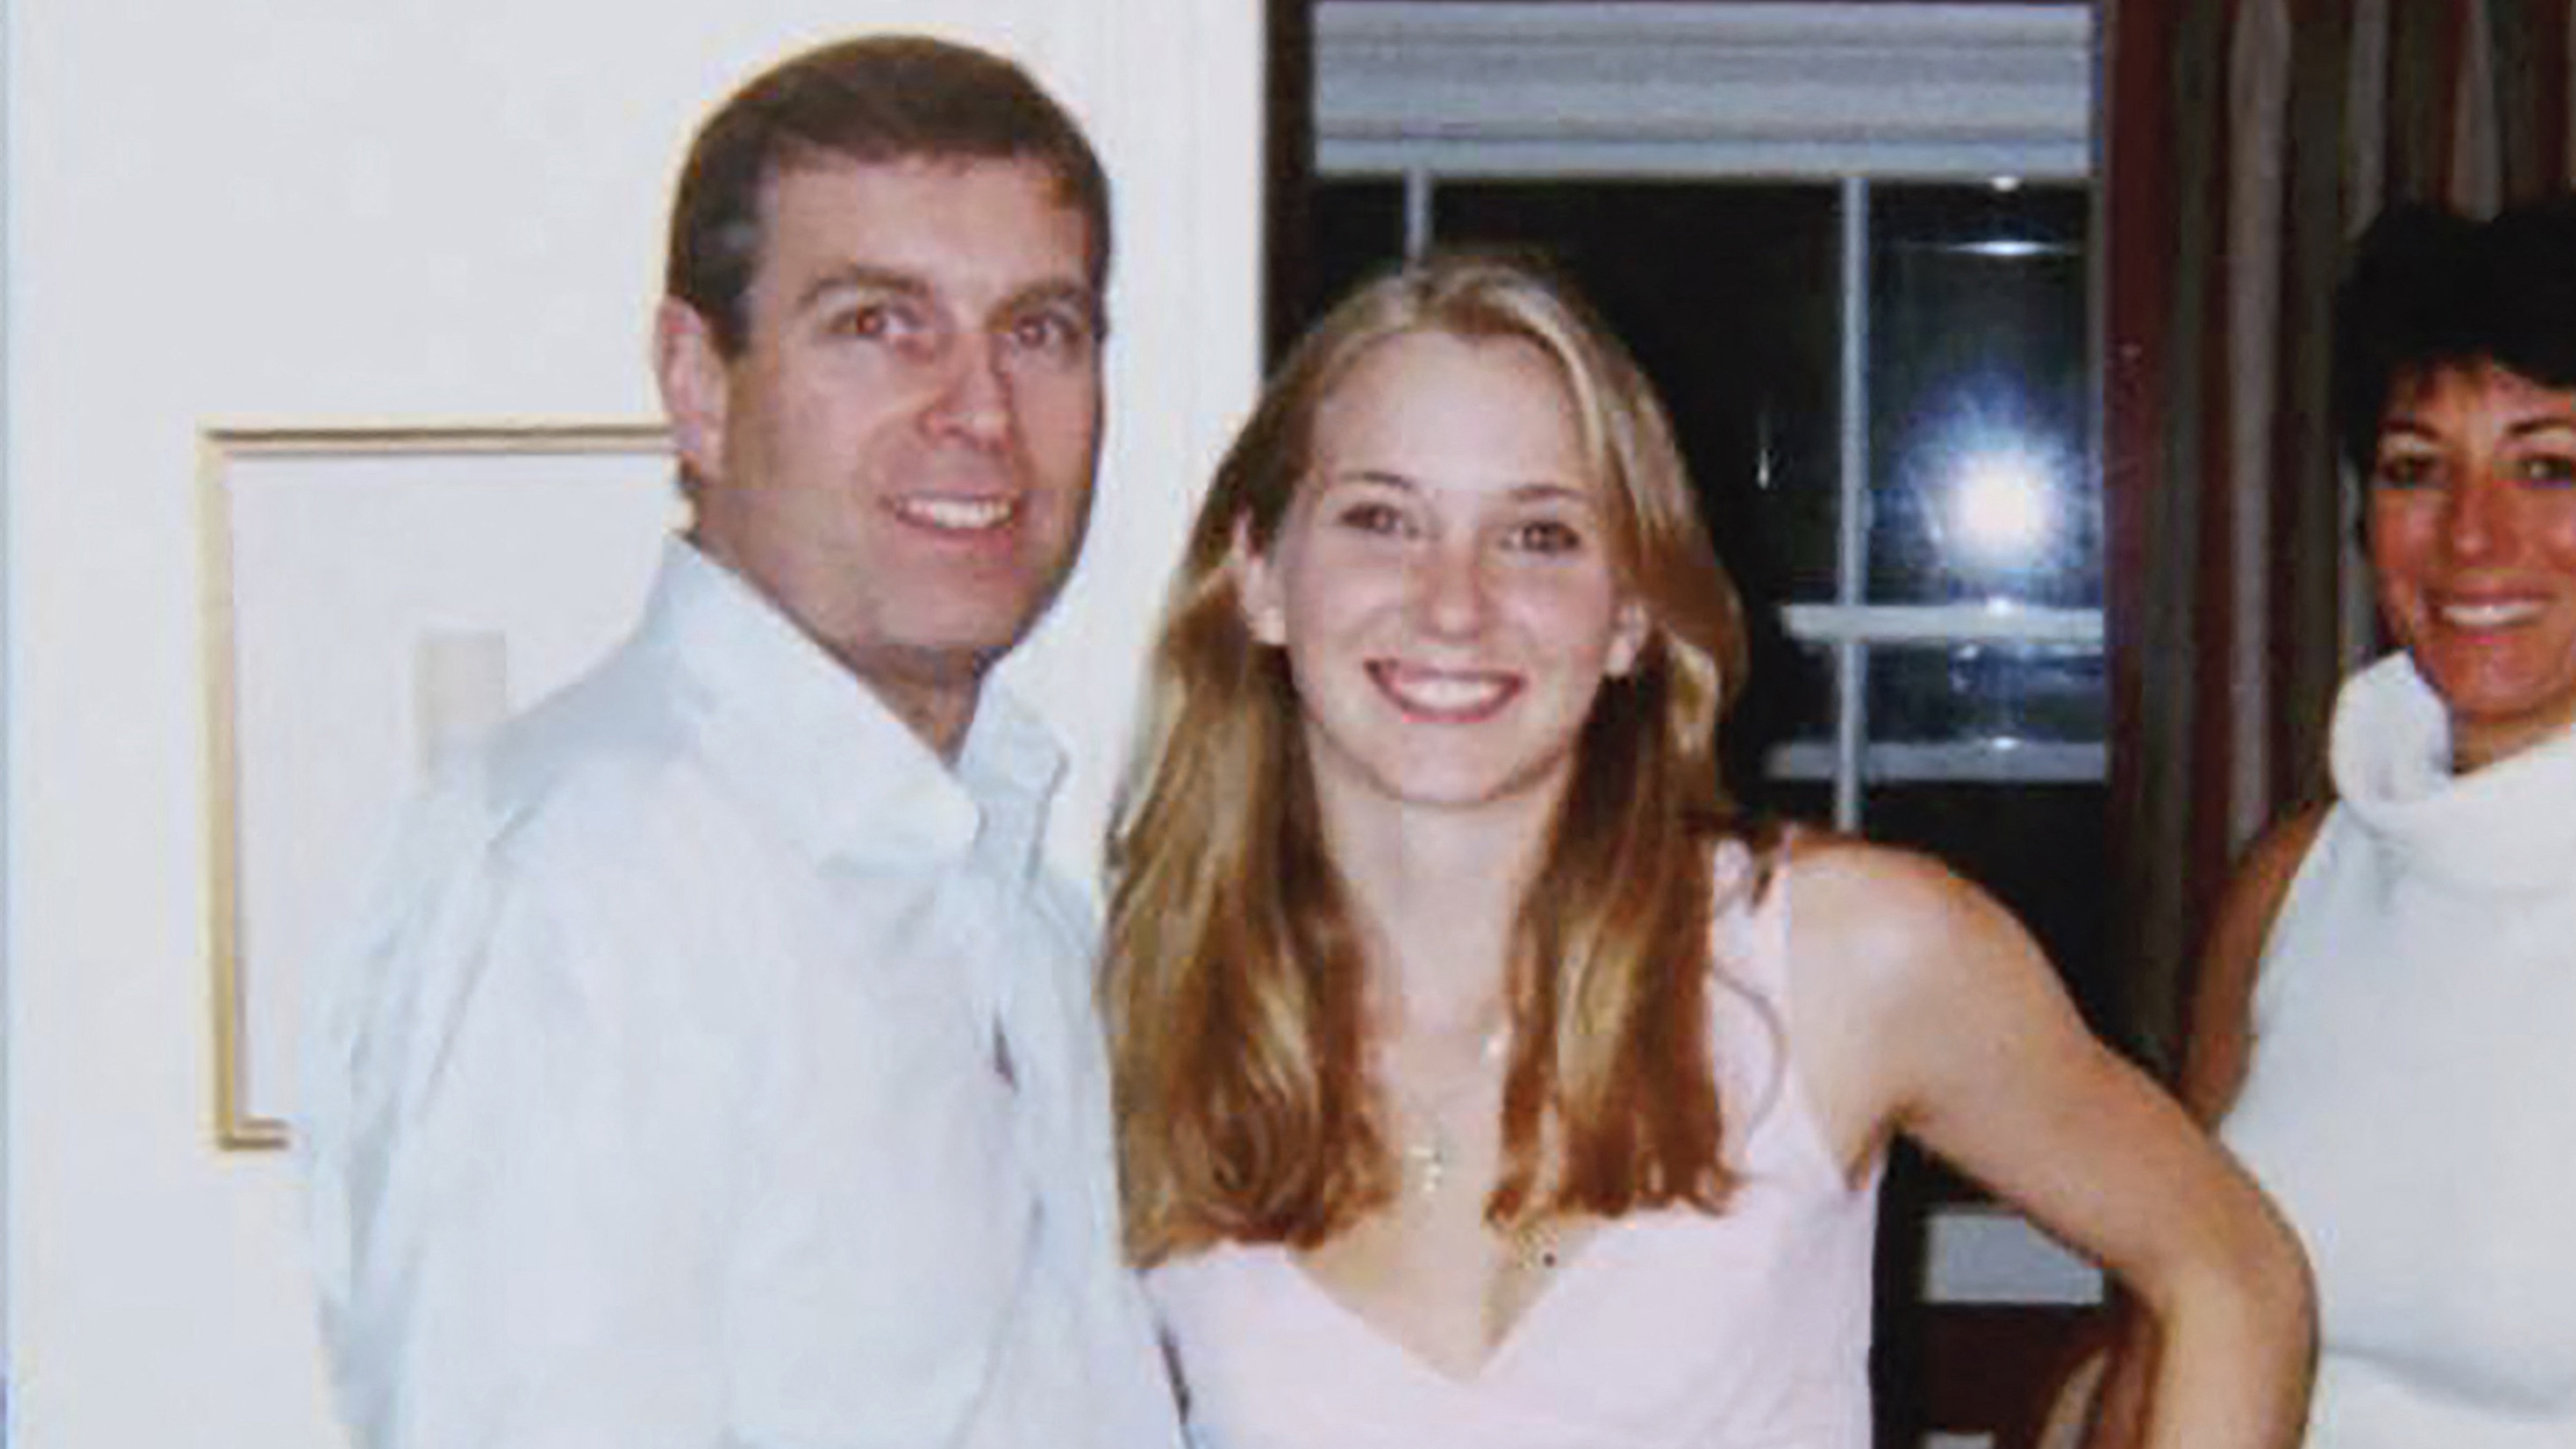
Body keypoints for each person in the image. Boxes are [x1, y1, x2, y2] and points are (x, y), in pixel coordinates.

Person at [1101, 252, 2314, 1449]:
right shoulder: (1130, 1022)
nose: (1454, 602)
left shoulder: (1840, 956)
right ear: (1258, 576)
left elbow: (2232, 1272)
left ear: (1630, 612)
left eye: (1538, 536)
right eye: (1383, 519)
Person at [299, 35, 1182, 1449]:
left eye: (1039, 330)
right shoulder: (592, 885)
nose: (979, 413)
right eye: (880, 324)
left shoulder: (1007, 898)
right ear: (699, 384)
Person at [2148, 193, 2576, 1446]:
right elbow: (2168, 1316)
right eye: (2414, 468)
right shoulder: (2296, 879)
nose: (2474, 536)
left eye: (2549, 465)